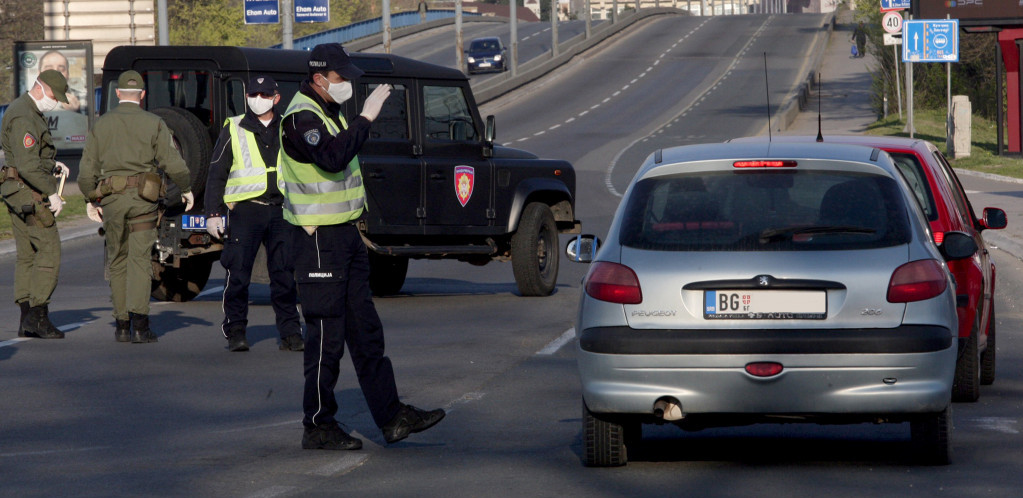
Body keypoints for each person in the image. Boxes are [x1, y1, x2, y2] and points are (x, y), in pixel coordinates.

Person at [280, 43, 445, 450]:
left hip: (345, 236)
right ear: (320, 79)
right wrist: (367, 118)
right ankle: (317, 425)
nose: (349, 84)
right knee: (326, 335)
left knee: (366, 331)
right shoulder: (301, 117)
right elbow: (333, 159)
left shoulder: (329, 113)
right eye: (341, 78)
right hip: (317, 239)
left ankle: (391, 416)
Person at [77, 70, 194, 343]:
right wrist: (186, 188)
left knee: (117, 260)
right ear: (142, 95)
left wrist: (90, 200)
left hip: (112, 202)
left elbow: (86, 174)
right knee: (140, 261)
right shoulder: (154, 123)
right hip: (144, 201)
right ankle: (141, 327)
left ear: (117, 94)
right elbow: (172, 162)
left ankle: (121, 325)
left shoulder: (101, 125)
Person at [204, 75, 303, 353]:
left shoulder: (288, 126)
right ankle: (236, 330)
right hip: (246, 211)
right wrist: (213, 212)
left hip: (281, 210)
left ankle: (291, 333)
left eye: (263, 95)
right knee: (238, 274)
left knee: (284, 275)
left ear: (276, 98)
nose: (257, 100)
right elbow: (217, 172)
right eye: (253, 94)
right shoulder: (234, 127)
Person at [0, 69, 70, 339]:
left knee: (28, 253)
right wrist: (52, 192)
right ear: (39, 88)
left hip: (18, 190)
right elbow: (27, 166)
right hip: (27, 193)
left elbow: (29, 156)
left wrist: (52, 165)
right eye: (54, 96)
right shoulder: (23, 114)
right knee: (50, 249)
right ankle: (37, 316)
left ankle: (26, 318)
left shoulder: (26, 110)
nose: (55, 102)